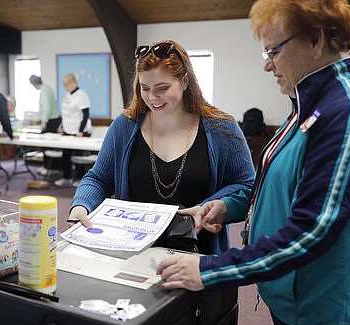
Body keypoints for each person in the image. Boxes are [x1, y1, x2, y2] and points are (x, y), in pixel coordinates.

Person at [156, 1, 350, 325]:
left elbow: (311, 231)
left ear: (315, 40)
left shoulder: (348, 113)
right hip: (294, 293)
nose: (268, 65)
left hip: (324, 308)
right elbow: (278, 184)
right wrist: (230, 206)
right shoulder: (309, 104)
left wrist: (210, 270)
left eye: (274, 50)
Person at [68, 39, 255, 255]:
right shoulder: (124, 126)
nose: (152, 97)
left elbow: (248, 187)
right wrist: (81, 205)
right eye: (145, 88)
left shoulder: (222, 128)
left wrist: (214, 206)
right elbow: (98, 178)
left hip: (199, 259)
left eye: (163, 88)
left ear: (185, 82)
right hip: (131, 255)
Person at [54, 73, 92, 187]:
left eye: (67, 85)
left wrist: (80, 131)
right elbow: (65, 114)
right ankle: (66, 177)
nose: (66, 87)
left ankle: (80, 178)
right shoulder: (67, 95)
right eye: (64, 85)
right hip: (67, 130)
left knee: (79, 156)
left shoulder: (82, 95)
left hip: (78, 131)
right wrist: (62, 127)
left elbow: (85, 115)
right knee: (66, 155)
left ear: (73, 83)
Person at [29, 75, 62, 176]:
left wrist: (43, 121)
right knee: (49, 145)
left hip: (50, 120)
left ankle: (50, 167)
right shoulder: (47, 88)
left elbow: (47, 107)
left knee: (47, 144)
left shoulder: (44, 90)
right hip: (53, 119)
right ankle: (48, 166)